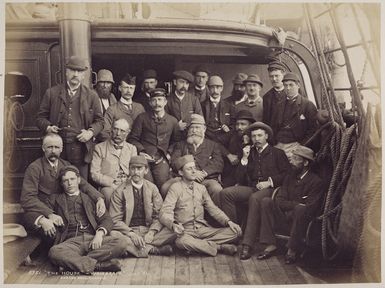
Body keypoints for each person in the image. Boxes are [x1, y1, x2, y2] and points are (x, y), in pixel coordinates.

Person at [20, 133, 105, 236]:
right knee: (51, 233)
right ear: (43, 148)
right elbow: (27, 198)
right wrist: (49, 214)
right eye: (50, 147)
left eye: (56, 147)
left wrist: (99, 198)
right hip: (42, 210)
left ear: (61, 149)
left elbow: (83, 184)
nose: (53, 151)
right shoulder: (34, 168)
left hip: (62, 209)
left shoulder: (66, 165)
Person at [47, 165, 126, 274]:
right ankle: (98, 265)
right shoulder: (54, 199)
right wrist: (50, 216)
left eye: (72, 179)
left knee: (121, 242)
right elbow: (43, 213)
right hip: (70, 242)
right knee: (54, 252)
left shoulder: (91, 198)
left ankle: (72, 262)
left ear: (79, 180)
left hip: (91, 238)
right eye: (65, 181)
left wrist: (99, 234)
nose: (69, 183)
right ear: (61, 183)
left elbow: (107, 220)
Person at [220, 122, 290, 243]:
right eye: (253, 136)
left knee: (255, 198)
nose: (256, 139)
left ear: (266, 136)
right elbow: (239, 179)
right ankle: (233, 232)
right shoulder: (249, 153)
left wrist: (269, 182)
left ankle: (247, 243)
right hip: (253, 187)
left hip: (272, 190)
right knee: (226, 193)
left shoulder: (277, 153)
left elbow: (287, 175)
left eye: (259, 135)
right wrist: (244, 159)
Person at [159, 155, 242, 256]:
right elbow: (165, 211)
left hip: (202, 229)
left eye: (195, 168)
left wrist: (228, 222)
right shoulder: (175, 188)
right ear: (181, 173)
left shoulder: (201, 188)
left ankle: (197, 246)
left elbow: (213, 209)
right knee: (181, 242)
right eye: (189, 169)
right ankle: (219, 247)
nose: (194, 171)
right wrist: (173, 224)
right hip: (185, 231)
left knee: (236, 232)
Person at [36, 55, 104, 179]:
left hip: (81, 149)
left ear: (84, 75)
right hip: (56, 148)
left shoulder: (92, 96)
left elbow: (100, 121)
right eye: (72, 70)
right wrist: (48, 127)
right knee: (55, 180)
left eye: (79, 71)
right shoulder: (52, 93)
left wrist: (90, 132)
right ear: (66, 72)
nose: (76, 74)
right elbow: (40, 118)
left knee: (80, 182)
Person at [257, 146, 323, 264]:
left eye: (295, 159)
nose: (291, 161)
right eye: (291, 158)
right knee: (266, 201)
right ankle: (270, 244)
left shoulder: (316, 182)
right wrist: (296, 204)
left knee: (300, 209)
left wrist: (294, 206)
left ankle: (292, 249)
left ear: (306, 162)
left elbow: (310, 208)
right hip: (284, 216)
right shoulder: (289, 177)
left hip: (301, 220)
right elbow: (279, 200)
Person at [109, 155, 176, 257]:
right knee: (113, 234)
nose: (136, 172)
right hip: (128, 231)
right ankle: (152, 249)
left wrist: (152, 232)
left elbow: (159, 215)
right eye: (133, 168)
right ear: (129, 170)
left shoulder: (152, 188)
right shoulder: (119, 191)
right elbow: (114, 219)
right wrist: (131, 234)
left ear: (146, 170)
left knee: (174, 231)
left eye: (139, 168)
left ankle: (133, 249)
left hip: (148, 229)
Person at [161, 114, 223, 206]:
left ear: (204, 129)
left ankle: (212, 219)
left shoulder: (213, 145)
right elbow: (175, 162)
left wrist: (204, 173)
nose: (194, 131)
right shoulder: (181, 145)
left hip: (205, 179)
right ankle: (173, 216)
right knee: (165, 187)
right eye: (191, 128)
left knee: (216, 189)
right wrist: (192, 173)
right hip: (183, 179)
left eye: (197, 127)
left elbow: (218, 163)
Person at [128, 88, 181, 188]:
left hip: (162, 158)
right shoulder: (142, 118)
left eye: (160, 100)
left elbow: (177, 142)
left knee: (163, 184)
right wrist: (141, 151)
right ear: (150, 102)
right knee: (147, 185)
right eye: (154, 100)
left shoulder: (172, 121)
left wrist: (169, 153)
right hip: (145, 158)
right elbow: (132, 139)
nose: (157, 103)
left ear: (165, 102)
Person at [90, 118, 137, 207]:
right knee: (109, 194)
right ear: (111, 129)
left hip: (128, 183)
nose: (118, 133)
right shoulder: (99, 148)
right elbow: (94, 174)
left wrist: (128, 182)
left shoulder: (132, 149)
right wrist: (112, 182)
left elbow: (134, 169)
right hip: (109, 185)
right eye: (116, 129)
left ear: (127, 133)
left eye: (122, 131)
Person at [274, 72, 318, 158]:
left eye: (291, 85)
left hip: (297, 144)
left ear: (298, 85)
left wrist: (301, 146)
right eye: (285, 85)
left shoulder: (308, 105)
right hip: (279, 143)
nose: (288, 88)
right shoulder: (279, 105)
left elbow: (313, 130)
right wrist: (276, 143)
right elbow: (274, 126)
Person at [100, 73, 145, 141]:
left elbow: (146, 130)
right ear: (120, 88)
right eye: (126, 87)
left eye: (131, 88)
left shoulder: (140, 108)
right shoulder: (112, 109)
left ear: (134, 89)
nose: (129, 91)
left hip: (137, 147)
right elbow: (104, 133)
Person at [221, 110, 255, 188]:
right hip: (231, 173)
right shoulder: (233, 134)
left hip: (249, 176)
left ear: (250, 125)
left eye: (243, 124)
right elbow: (216, 143)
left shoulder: (255, 136)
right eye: (237, 124)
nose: (239, 127)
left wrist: (246, 143)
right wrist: (228, 155)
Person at [201, 75, 235, 145]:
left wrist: (228, 128)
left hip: (223, 137)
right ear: (208, 88)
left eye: (217, 87)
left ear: (222, 88)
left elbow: (234, 123)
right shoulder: (202, 105)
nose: (215, 91)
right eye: (212, 87)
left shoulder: (229, 105)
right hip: (207, 136)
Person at [262, 61, 287, 141]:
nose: (274, 79)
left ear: (283, 75)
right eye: (271, 76)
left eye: (277, 76)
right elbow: (267, 121)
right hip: (276, 138)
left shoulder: (296, 92)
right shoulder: (267, 97)